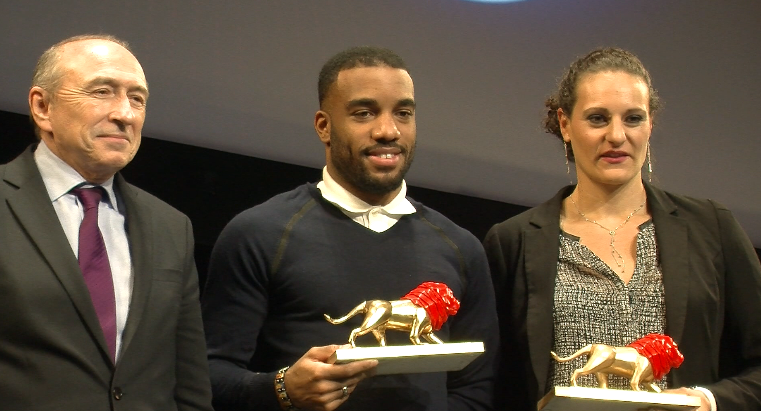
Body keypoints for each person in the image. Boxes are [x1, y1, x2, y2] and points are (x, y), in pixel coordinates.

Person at [202, 46, 498, 411]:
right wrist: (282, 390)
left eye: (403, 113)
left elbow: (478, 386)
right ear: (324, 126)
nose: (388, 130)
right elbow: (208, 377)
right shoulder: (259, 232)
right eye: (364, 113)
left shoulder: (461, 247)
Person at [483, 47, 761, 411]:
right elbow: (490, 382)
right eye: (598, 118)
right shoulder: (512, 242)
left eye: (632, 118)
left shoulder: (711, 227)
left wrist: (707, 401)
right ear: (565, 125)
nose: (617, 135)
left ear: (650, 125)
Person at [0, 35, 213, 410]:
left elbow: (190, 380)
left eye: (137, 99)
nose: (125, 114)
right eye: (102, 91)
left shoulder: (171, 227)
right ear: (42, 106)